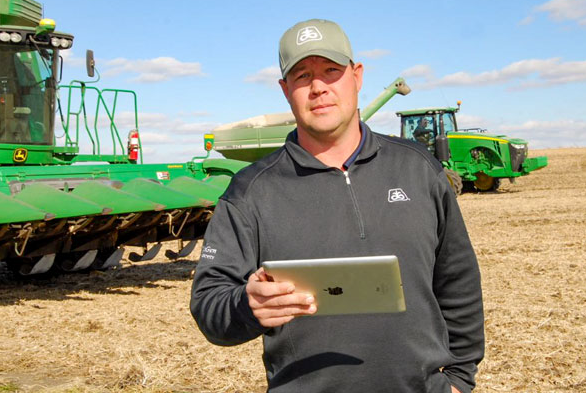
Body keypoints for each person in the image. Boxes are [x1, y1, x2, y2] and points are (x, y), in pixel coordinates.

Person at [191, 19, 484, 393]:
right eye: (302, 75)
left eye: (332, 70)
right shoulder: (250, 192)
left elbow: (457, 280)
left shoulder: (417, 168)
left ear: (357, 76)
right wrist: (246, 307)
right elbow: (208, 302)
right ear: (285, 89)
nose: (318, 87)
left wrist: (459, 378)